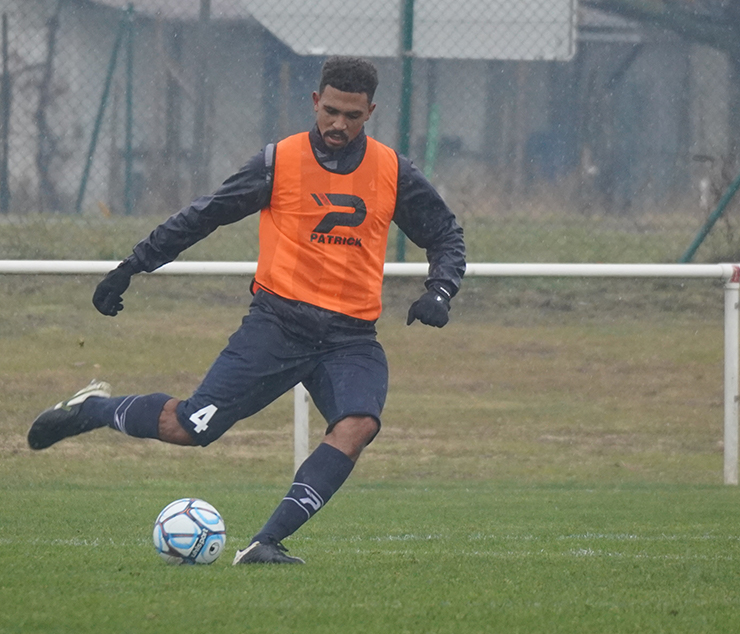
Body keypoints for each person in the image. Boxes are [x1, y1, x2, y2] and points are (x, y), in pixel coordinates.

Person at [28, 56, 466, 564]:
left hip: (350, 339)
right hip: (277, 326)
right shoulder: (279, 162)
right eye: (330, 111)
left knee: (358, 424)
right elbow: (206, 214)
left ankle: (266, 542)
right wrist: (133, 265)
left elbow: (445, 235)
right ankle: (92, 410)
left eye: (351, 115)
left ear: (370, 111)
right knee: (189, 429)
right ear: (314, 103)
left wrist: (440, 290)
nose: (338, 125)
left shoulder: (392, 170)